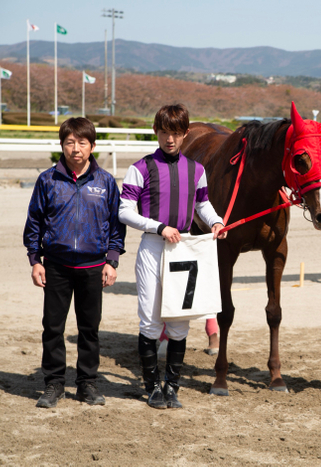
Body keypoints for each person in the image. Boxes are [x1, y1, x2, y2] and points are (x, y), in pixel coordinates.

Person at [119, 104, 227, 409]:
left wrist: (216, 221)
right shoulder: (140, 168)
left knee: (180, 325)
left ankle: (172, 387)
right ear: (156, 131)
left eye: (177, 133)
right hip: (153, 247)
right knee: (151, 323)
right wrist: (159, 227)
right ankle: (153, 387)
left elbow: (203, 204)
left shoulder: (197, 170)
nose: (170, 139)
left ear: (186, 134)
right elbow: (124, 211)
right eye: (165, 132)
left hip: (184, 248)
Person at [23, 117, 125, 408]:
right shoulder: (47, 180)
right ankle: (54, 384)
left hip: (93, 267)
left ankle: (87, 384)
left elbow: (116, 225)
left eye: (82, 142)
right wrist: (35, 259)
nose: (76, 148)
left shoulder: (105, 181)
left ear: (92, 146)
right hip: (56, 266)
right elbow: (34, 221)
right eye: (70, 142)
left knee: (89, 328)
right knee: (53, 327)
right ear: (62, 145)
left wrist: (112, 260)